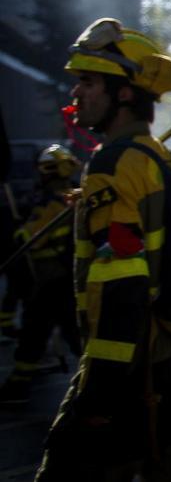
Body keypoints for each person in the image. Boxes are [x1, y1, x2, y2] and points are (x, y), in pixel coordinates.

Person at [39, 18, 171, 480]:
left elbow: (120, 284)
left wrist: (98, 392)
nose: (76, 93)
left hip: (136, 366)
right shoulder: (163, 157)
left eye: (88, 82)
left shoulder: (113, 162)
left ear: (122, 94)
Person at [0, 146, 83, 405]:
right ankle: (18, 383)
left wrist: (18, 230)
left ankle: (96, 385)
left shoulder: (54, 203)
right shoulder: (74, 197)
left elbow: (30, 238)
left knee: (44, 332)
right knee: (41, 332)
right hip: (63, 278)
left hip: (53, 279)